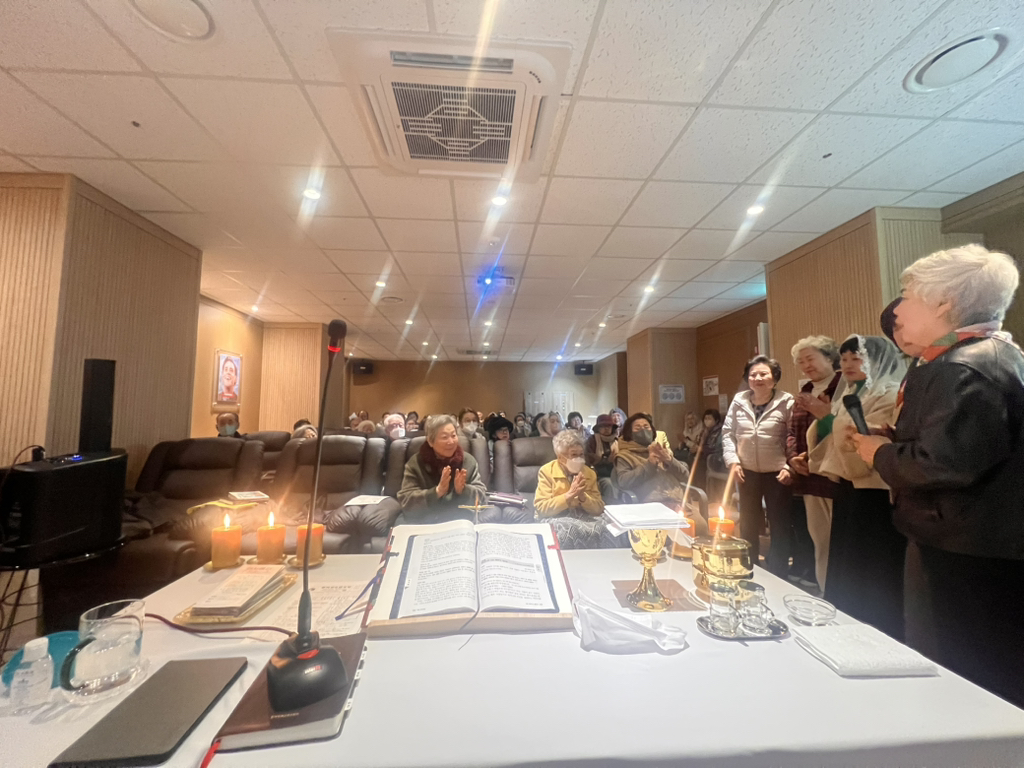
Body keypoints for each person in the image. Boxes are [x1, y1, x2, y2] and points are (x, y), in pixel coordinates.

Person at [853, 245, 1024, 707]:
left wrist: (879, 453)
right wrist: (899, 442)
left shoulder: (961, 366)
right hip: (977, 545)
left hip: (962, 550)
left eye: (908, 295)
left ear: (944, 302)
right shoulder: (989, 355)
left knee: (961, 678)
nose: (897, 310)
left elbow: (942, 465)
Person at [807, 335, 906, 638]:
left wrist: (827, 419)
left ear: (876, 361)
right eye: (845, 359)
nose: (848, 364)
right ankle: (845, 619)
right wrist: (815, 446)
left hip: (875, 490)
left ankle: (873, 628)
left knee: (869, 562)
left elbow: (860, 439)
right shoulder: (850, 393)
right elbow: (833, 434)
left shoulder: (889, 394)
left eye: (857, 358)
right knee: (845, 557)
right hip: (849, 487)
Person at [721, 356, 794, 576]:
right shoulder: (739, 401)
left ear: (775, 378)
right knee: (748, 522)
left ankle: (779, 571)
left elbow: (794, 436)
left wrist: (789, 466)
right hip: (746, 471)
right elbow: (728, 434)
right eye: (753, 375)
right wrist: (733, 462)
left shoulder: (787, 402)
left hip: (778, 472)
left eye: (763, 374)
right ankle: (749, 566)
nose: (758, 378)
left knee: (779, 523)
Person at [787, 336, 843, 590]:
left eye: (810, 359)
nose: (806, 366)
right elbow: (792, 431)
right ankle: (825, 590)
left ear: (829, 358)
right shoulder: (805, 392)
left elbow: (846, 429)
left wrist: (824, 413)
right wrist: (793, 457)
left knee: (838, 541)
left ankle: (838, 594)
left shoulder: (843, 388)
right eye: (801, 362)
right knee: (819, 539)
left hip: (837, 475)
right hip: (809, 477)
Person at [615, 413, 709, 535]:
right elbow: (624, 481)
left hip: (678, 504)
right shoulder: (625, 456)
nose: (643, 430)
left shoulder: (660, 449)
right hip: (651, 507)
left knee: (700, 526)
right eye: (638, 428)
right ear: (630, 433)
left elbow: (685, 476)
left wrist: (670, 460)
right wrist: (649, 464)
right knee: (667, 535)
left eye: (646, 427)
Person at [535, 430, 622, 549]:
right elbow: (541, 508)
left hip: (583, 516)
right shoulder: (546, 471)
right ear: (561, 458)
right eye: (574, 455)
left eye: (581, 454)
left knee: (612, 527)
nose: (579, 459)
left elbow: (598, 509)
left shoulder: (589, 473)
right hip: (555, 517)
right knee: (571, 530)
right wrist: (569, 495)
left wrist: (583, 498)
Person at [397, 414, 487, 524]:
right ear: (430, 441)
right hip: (426, 522)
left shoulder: (468, 461)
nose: (451, 441)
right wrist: (436, 492)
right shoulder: (416, 463)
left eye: (453, 436)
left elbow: (482, 498)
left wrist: (464, 490)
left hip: (459, 521)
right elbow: (406, 501)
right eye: (444, 437)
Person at [585, 414, 619, 501]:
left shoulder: (617, 440)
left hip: (618, 473)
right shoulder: (592, 440)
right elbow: (589, 459)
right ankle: (613, 506)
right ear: (598, 428)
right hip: (599, 475)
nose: (606, 429)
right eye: (603, 426)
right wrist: (607, 460)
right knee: (609, 484)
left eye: (609, 426)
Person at [693, 409, 723, 495]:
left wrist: (701, 449)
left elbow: (716, 448)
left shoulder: (720, 431)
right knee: (691, 458)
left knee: (699, 464)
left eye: (709, 418)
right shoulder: (705, 431)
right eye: (705, 418)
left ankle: (702, 492)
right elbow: (699, 443)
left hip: (717, 458)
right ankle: (695, 491)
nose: (707, 421)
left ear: (716, 420)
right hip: (705, 456)